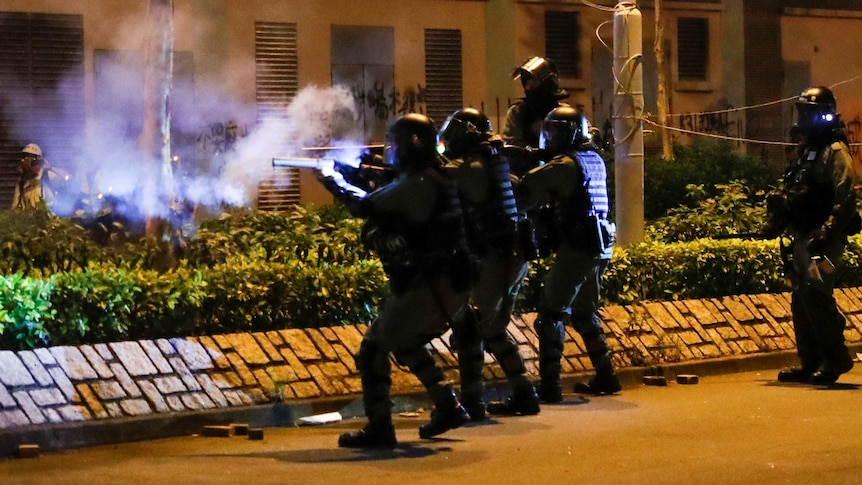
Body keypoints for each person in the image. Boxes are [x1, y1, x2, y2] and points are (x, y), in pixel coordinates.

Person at [318, 113, 473, 448]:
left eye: (395, 144)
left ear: (411, 146)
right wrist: (359, 171)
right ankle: (448, 405)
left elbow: (365, 206)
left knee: (373, 348)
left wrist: (332, 179)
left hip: (431, 285)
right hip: (445, 282)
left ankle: (380, 426)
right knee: (405, 341)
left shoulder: (416, 184)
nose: (391, 150)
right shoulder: (431, 176)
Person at [438, 108, 540, 418]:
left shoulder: (471, 168)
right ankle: (524, 393)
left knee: (470, 326)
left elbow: (429, 179)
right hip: (512, 254)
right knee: (492, 328)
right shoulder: (495, 164)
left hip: (496, 257)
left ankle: (472, 401)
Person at [515, 106, 620, 403]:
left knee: (549, 315)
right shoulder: (593, 159)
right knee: (585, 313)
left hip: (579, 247)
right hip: (600, 246)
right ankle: (607, 376)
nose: (549, 136)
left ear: (570, 133)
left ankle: (550, 386)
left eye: (554, 131)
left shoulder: (564, 165)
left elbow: (526, 191)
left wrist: (513, 166)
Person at [761, 86, 859, 385]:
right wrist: (778, 220)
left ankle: (836, 358)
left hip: (825, 236)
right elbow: (799, 193)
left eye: (808, 113)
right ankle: (811, 361)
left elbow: (846, 198)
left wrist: (828, 230)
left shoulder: (836, 151)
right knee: (801, 299)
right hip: (805, 234)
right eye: (801, 112)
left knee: (816, 295)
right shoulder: (809, 152)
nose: (803, 118)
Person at [503, 56, 570, 149]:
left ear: (548, 83)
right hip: (531, 163)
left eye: (534, 83)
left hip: (560, 161)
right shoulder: (518, 112)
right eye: (527, 84)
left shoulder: (565, 112)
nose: (528, 88)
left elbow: (586, 136)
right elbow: (512, 146)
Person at [12, 143, 50, 210]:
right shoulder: (22, 182)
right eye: (25, 156)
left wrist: (51, 168)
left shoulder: (46, 175)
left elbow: (67, 178)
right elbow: (16, 205)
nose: (27, 160)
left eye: (31, 157)